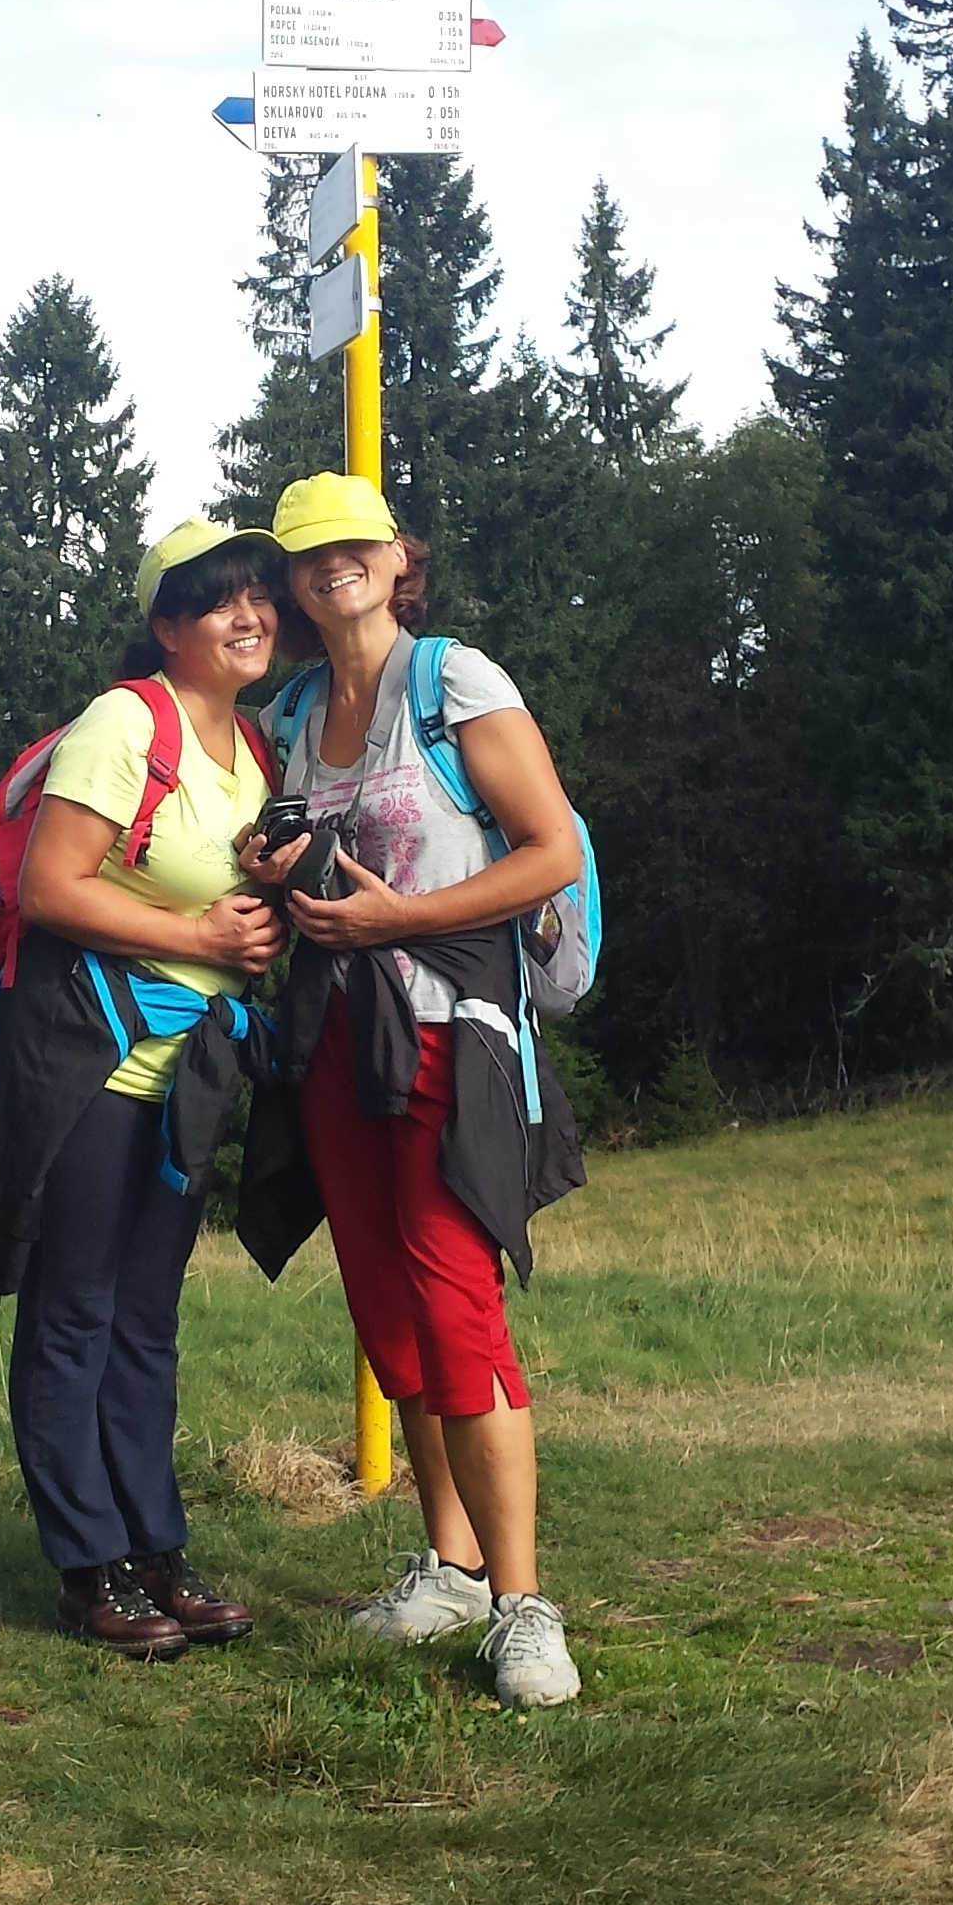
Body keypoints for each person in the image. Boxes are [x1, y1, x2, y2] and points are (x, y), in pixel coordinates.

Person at [235, 472, 591, 1708]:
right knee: (389, 1312)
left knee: (455, 1306)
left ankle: (526, 1607)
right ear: (292, 582)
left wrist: (402, 917)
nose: (332, 563)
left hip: (450, 1033)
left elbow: (552, 849)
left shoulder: (455, 683)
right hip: (336, 1041)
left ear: (397, 557)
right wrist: (275, 868)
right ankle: (451, 1565)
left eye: (354, 543)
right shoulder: (290, 712)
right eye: (307, 553)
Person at [0, 520, 291, 1660]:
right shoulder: (125, 723)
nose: (250, 616)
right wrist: (201, 933)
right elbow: (52, 887)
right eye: (220, 601)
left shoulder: (251, 750)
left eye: (260, 596)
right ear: (168, 626)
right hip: (86, 1064)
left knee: (145, 1319)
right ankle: (86, 1567)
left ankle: (156, 1553)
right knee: (75, 1311)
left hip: (186, 1073)